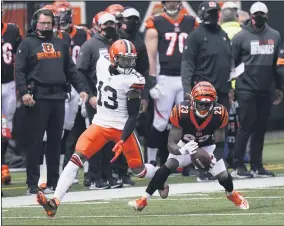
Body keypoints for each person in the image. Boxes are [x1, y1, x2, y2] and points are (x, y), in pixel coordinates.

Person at [37, 39, 158, 218]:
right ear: (113, 58)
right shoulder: (101, 63)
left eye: (131, 60)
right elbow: (83, 72)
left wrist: (123, 139)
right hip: (100, 123)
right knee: (76, 158)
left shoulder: (134, 79)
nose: (128, 64)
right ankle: (55, 201)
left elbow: (133, 115)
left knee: (139, 170)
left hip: (121, 128)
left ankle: (160, 176)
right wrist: (88, 93)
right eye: (124, 59)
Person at [128, 81, 249, 211]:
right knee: (169, 165)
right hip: (185, 144)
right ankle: (144, 199)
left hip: (207, 147)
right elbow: (171, 144)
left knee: (224, 176)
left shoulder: (219, 113)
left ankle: (231, 194)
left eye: (207, 104)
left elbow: (219, 143)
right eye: (200, 103)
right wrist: (182, 150)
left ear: (214, 103)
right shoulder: (181, 111)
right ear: (192, 101)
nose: (203, 108)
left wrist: (214, 157)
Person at [15, 8, 88, 195]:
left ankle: (55, 182)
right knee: (36, 142)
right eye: (43, 23)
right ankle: (32, 184)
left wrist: (82, 89)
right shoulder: (27, 44)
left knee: (56, 143)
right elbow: (20, 71)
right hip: (37, 98)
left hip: (58, 98)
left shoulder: (61, 42)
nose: (46, 26)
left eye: (49, 23)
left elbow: (71, 69)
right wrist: (23, 92)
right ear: (35, 23)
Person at [181, 0, 232, 181]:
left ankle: (216, 166)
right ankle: (200, 168)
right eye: (209, 13)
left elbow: (228, 62)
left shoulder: (223, 34)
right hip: (203, 93)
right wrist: (187, 88)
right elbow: (187, 63)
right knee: (200, 132)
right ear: (202, 15)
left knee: (220, 130)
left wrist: (229, 89)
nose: (213, 16)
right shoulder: (196, 35)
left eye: (215, 12)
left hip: (222, 91)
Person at [231, 1, 283, 178]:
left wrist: (278, 87)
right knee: (246, 126)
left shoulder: (275, 35)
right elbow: (233, 63)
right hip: (246, 88)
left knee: (261, 127)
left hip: (266, 88)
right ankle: (238, 165)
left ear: (266, 15)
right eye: (256, 14)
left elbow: (277, 64)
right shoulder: (240, 37)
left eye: (262, 14)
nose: (259, 17)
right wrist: (233, 87)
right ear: (251, 16)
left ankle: (257, 165)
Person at [145, 1, 197, 166]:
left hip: (185, 78)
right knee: (160, 123)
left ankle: (186, 161)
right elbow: (151, 55)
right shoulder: (156, 21)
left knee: (186, 122)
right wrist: (152, 79)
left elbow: (197, 51)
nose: (172, 4)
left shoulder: (191, 21)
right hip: (165, 78)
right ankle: (152, 159)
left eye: (175, 1)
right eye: (169, 1)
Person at [75, 12, 122, 189]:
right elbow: (80, 72)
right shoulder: (90, 46)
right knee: (96, 139)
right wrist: (89, 94)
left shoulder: (119, 43)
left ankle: (109, 175)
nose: (109, 26)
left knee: (111, 139)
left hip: (115, 99)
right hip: (97, 97)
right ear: (97, 26)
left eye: (112, 23)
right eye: (105, 24)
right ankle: (95, 177)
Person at [115, 6, 150, 186]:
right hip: (113, 91)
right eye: (130, 19)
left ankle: (123, 171)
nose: (133, 23)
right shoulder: (114, 37)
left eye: (136, 19)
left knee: (127, 131)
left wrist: (144, 96)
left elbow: (144, 69)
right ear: (122, 20)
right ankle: (106, 172)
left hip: (132, 91)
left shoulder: (140, 42)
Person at [1, 9, 22, 185]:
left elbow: (21, 56)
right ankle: (2, 165)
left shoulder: (12, 30)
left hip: (8, 85)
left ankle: (3, 165)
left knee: (5, 127)